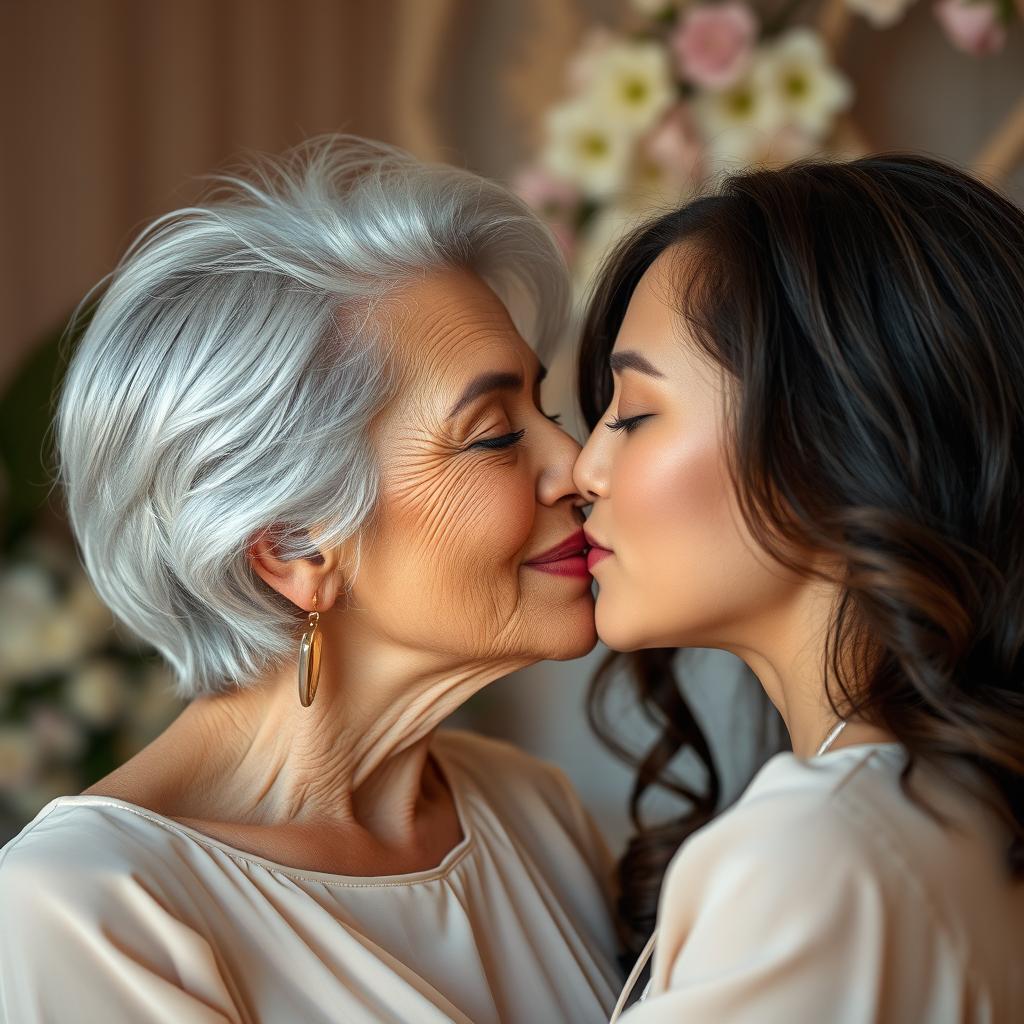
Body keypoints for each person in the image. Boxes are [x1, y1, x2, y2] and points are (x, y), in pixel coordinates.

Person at [0, 135, 623, 1024]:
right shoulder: (93, 909)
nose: (579, 463)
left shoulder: (534, 811)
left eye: (548, 409)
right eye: (493, 433)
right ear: (294, 546)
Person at [572, 152, 1024, 1021]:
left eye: (632, 414)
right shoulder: (959, 815)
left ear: (834, 439)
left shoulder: (821, 857)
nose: (585, 468)